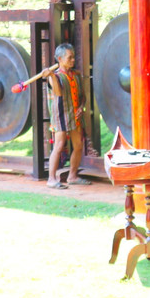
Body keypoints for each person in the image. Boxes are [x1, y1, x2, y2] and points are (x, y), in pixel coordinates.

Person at [43, 43, 90, 189]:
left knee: (78, 145)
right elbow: (58, 93)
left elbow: (83, 96)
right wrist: (50, 75)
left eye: (73, 57)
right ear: (60, 59)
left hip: (75, 115)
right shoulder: (55, 76)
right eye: (69, 58)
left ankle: (72, 176)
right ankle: (51, 179)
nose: (73, 60)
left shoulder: (76, 75)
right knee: (58, 145)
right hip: (61, 116)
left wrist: (81, 107)